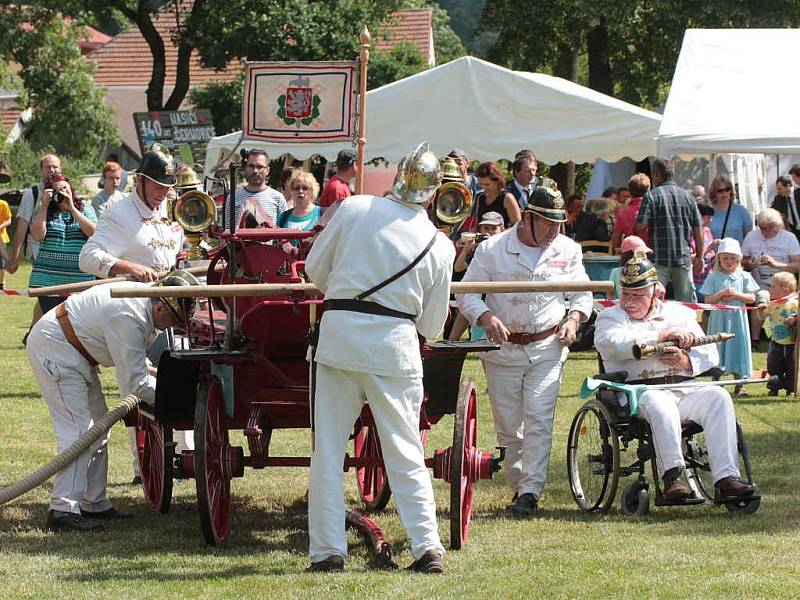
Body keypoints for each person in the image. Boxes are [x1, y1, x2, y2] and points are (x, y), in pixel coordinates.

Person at [304, 142, 454, 574]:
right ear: (432, 193)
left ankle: (328, 551)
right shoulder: (439, 246)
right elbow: (431, 325)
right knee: (405, 450)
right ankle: (427, 547)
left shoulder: (354, 210)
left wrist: (348, 293)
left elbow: (315, 269)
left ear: (398, 179)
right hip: (395, 347)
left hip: (340, 341)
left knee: (328, 452)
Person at [456, 187, 592, 516]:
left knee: (539, 419)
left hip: (548, 346)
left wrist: (574, 319)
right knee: (509, 427)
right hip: (503, 349)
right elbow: (467, 294)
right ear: (527, 217)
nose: (553, 231)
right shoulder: (492, 250)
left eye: (558, 224)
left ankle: (530, 492)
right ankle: (518, 484)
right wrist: (486, 316)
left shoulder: (569, 250)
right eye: (546, 222)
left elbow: (583, 293)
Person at [26, 271, 197, 532]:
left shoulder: (146, 302)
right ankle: (62, 510)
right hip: (56, 348)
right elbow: (136, 386)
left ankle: (93, 503)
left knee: (98, 430)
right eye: (172, 320)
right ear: (160, 306)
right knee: (79, 432)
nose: (171, 327)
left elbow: (138, 364)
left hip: (75, 352)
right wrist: (183, 398)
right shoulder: (129, 316)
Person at [594, 253, 757, 502]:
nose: (629, 301)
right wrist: (660, 338)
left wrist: (686, 361)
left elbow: (710, 353)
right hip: (639, 392)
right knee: (661, 404)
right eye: (625, 293)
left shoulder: (679, 313)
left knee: (719, 396)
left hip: (684, 386)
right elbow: (611, 344)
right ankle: (672, 479)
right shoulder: (610, 317)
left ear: (655, 292)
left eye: (638, 295)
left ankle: (726, 479)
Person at [79, 143, 186, 484]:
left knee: (180, 376)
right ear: (139, 181)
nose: (162, 194)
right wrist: (128, 267)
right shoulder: (118, 213)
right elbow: (88, 256)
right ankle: (145, 465)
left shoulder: (172, 210)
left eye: (167, 188)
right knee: (135, 385)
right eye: (157, 187)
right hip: (132, 310)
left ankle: (185, 455)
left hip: (170, 309)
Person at [634, 158, 704, 301]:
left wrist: (642, 247)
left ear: (655, 174)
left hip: (659, 258)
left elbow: (640, 227)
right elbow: (698, 228)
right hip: (683, 258)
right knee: (687, 306)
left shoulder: (651, 195)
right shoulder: (688, 196)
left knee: (654, 302)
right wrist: (700, 257)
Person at [28, 174, 97, 315]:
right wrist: (43, 207)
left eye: (65, 187)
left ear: (71, 189)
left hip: (79, 281)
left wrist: (72, 209)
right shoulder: (45, 211)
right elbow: (37, 235)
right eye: (58, 190)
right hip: (48, 282)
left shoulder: (86, 208)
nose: (63, 192)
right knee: (53, 323)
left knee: (76, 325)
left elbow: (94, 233)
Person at [700, 238, 759, 394]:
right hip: (719, 319)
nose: (728, 261)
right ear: (719, 258)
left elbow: (752, 298)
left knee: (738, 346)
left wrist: (737, 295)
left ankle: (740, 384)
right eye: (725, 257)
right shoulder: (713, 276)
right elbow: (707, 300)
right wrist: (720, 295)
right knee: (718, 346)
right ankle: (717, 382)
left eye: (732, 258)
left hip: (737, 319)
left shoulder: (743, 276)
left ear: (738, 259)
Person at [742, 208, 800, 348]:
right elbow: (742, 261)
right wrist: (751, 263)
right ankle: (755, 340)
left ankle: (788, 337)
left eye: (769, 228)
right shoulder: (751, 236)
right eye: (762, 228)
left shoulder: (789, 238)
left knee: (789, 305)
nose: (765, 232)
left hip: (785, 286)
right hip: (759, 283)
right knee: (761, 296)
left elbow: (798, 265)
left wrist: (777, 265)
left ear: (778, 226)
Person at [5, 154, 61, 276]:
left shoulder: (66, 192)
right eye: (48, 167)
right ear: (41, 170)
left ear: (60, 169)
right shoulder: (32, 194)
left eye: (55, 167)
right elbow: (22, 226)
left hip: (62, 252)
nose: (52, 170)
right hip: (39, 251)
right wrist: (15, 257)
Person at [222, 149, 286, 229]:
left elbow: (284, 232)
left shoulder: (278, 198)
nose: (255, 171)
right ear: (245, 168)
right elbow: (227, 231)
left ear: (267, 170)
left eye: (260, 167)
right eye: (251, 166)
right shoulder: (233, 197)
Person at [758, 271, 798, 396]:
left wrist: (794, 318)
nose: (770, 289)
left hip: (791, 342)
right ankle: (774, 387)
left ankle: (791, 388)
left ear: (785, 288)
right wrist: (761, 309)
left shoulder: (794, 303)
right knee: (773, 365)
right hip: (775, 341)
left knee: (791, 366)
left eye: (773, 286)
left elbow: (798, 315)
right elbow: (762, 316)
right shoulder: (772, 304)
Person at [277, 170, 322, 254]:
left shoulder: (322, 214)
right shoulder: (283, 217)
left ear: (312, 190)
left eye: (305, 188)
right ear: (291, 191)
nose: (300, 191)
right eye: (296, 188)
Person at [707, 175, 752, 244]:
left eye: (727, 189)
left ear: (731, 191)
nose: (724, 193)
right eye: (720, 191)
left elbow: (748, 236)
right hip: (715, 253)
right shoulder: (708, 212)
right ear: (714, 193)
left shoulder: (741, 211)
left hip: (737, 253)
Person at [611, 173, 650, 251]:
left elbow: (615, 240)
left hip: (631, 255)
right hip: (654, 255)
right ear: (648, 190)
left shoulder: (623, 213)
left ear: (630, 192)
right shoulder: (655, 209)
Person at [474, 161, 520, 228]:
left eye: (487, 184)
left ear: (497, 181)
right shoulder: (479, 197)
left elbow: (517, 226)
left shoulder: (507, 198)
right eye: (481, 184)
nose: (484, 187)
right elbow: (477, 224)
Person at [691, 203, 717, 302]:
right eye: (708, 217)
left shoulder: (707, 231)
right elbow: (690, 258)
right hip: (696, 281)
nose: (710, 220)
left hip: (709, 278)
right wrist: (709, 249)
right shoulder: (690, 233)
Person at [770, 175, 799, 241]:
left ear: (788, 186)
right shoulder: (778, 199)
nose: (778, 191)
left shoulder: (798, 194)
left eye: (780, 189)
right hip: (791, 231)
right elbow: (771, 213)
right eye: (777, 189)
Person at [0, 196, 10, 290]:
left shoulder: (3, 204)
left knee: (1, 263)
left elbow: (9, 220)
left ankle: (1, 282)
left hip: (2, 238)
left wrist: (0, 226)